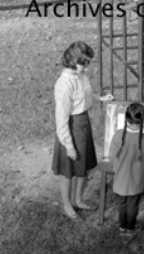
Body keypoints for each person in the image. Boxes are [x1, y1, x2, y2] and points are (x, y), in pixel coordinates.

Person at [52, 42, 114, 221]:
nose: (87, 68)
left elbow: (84, 93)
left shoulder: (80, 75)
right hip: (71, 127)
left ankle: (78, 199)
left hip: (83, 123)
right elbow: (61, 119)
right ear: (72, 61)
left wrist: (100, 98)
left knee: (83, 166)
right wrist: (69, 145)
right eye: (84, 64)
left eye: (88, 64)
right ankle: (67, 204)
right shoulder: (64, 84)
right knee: (68, 170)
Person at [109, 102, 144, 236]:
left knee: (122, 204)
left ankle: (122, 227)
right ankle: (130, 228)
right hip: (136, 181)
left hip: (120, 179)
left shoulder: (118, 135)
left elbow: (111, 154)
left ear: (126, 119)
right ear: (143, 120)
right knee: (133, 205)